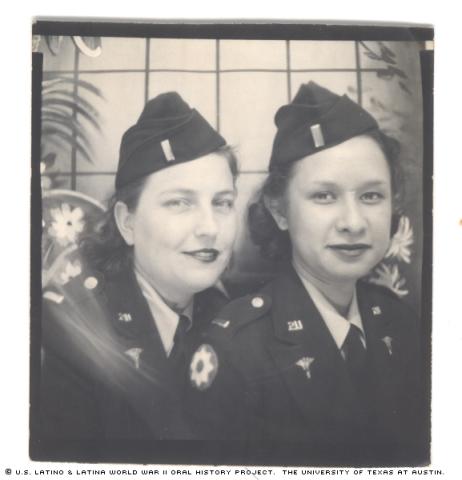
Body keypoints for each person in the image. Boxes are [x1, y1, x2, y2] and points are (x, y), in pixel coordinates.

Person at [184, 82, 424, 465]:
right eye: (324, 196)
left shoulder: (403, 324)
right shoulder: (235, 347)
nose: (353, 222)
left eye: (371, 195)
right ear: (279, 211)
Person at [34, 92, 238, 459]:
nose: (210, 228)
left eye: (222, 203)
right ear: (127, 223)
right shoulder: (73, 326)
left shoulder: (230, 313)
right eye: (179, 202)